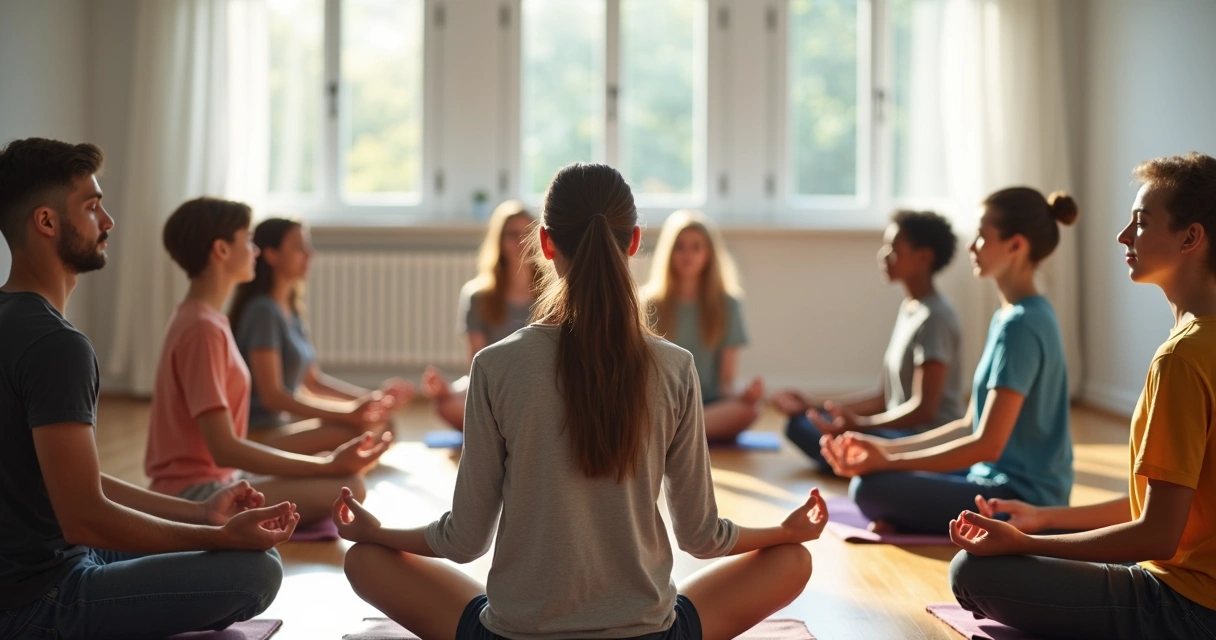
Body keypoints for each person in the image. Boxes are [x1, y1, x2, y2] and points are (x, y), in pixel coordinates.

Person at [336, 164, 826, 640]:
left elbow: (463, 542)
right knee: (793, 559)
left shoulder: (494, 365)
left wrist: (378, 531)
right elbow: (702, 538)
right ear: (634, 242)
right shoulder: (674, 366)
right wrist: (783, 531)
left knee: (363, 557)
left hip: (516, 635)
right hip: (647, 634)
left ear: (546, 244)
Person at [0, 137, 297, 639]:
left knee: (237, 549)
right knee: (257, 569)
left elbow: (76, 481)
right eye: (92, 207)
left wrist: (202, 513)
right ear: (47, 222)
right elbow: (84, 517)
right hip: (40, 601)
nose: (108, 220)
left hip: (39, 566)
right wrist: (217, 537)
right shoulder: (57, 345)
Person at [949, 153, 1216, 639]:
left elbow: (1157, 534)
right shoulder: (1199, 345)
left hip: (1187, 610)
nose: (1123, 236)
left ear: (1190, 237)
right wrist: (1046, 519)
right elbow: (1160, 507)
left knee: (971, 572)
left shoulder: (1182, 358)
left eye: (1140, 222)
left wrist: (1026, 542)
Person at [820, 187, 1077, 534]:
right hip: (989, 478)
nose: (972, 247)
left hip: (1018, 498)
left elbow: (988, 443)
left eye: (982, 238)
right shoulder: (1012, 316)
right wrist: (886, 449)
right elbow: (970, 425)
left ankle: (904, 514)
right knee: (876, 474)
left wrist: (891, 459)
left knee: (870, 487)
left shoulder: (1022, 324)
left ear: (1016, 245)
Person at [145, 197, 390, 527]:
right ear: (221, 250)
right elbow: (225, 449)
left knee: (346, 480)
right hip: (196, 493)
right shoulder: (202, 328)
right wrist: (327, 465)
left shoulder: (206, 320)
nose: (256, 250)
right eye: (247, 240)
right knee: (348, 485)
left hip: (225, 478)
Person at [779, 210, 964, 469]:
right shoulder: (910, 309)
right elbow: (883, 396)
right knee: (800, 423)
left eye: (894, 248)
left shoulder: (936, 318)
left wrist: (861, 425)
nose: (884, 255)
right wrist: (817, 405)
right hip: (896, 432)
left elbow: (925, 411)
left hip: (922, 442)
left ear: (924, 257)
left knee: (810, 432)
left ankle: (872, 470)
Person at [230, 217, 412, 454]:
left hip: (283, 425)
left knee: (382, 423)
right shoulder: (263, 311)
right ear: (271, 254)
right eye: (299, 247)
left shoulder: (290, 309)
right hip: (258, 434)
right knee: (358, 432)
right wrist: (347, 414)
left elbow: (313, 382)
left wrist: (373, 399)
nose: (310, 254)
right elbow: (272, 397)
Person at [642, 210, 763, 442]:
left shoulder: (728, 304)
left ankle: (673, 433)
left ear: (709, 253)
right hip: (663, 402)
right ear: (669, 252)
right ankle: (683, 432)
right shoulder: (648, 303)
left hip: (708, 403)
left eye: (696, 247)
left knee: (750, 409)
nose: (687, 254)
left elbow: (726, 381)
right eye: (680, 246)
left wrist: (744, 394)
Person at [422, 201, 540, 430]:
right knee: (444, 405)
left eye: (528, 234)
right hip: (495, 390)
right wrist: (449, 390)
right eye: (513, 234)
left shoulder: (551, 294)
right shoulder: (478, 296)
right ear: (500, 241)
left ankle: (502, 432)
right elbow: (476, 367)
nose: (521, 242)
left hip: (537, 389)